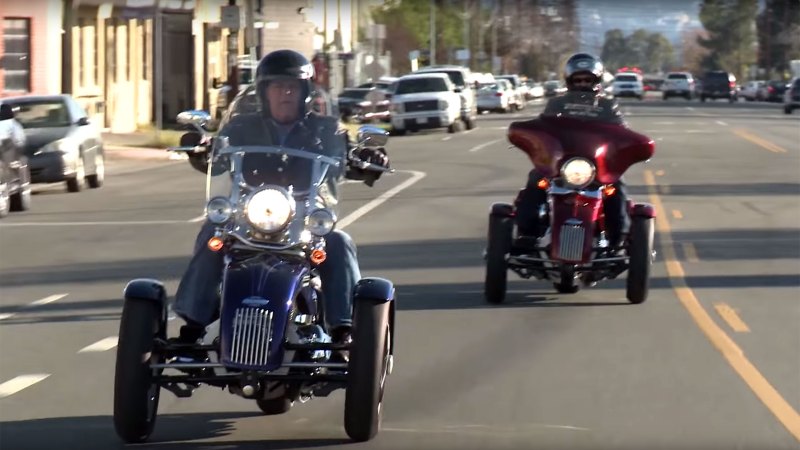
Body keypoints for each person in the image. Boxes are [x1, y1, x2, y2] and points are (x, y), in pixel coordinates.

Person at [172, 49, 389, 358]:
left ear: (305, 93)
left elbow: (349, 156)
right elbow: (217, 158)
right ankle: (192, 331)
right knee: (213, 234)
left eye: (293, 87)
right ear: (264, 92)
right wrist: (200, 148)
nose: (285, 93)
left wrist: (369, 157)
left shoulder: (327, 129)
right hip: (250, 215)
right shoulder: (239, 127)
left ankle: (343, 332)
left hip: (306, 220)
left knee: (339, 243)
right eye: (277, 86)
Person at [514, 53, 629, 250]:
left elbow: (621, 131)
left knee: (616, 188)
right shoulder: (556, 104)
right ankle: (528, 234)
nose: (583, 84)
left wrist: (624, 144)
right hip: (561, 163)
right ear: (569, 81)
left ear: (597, 81)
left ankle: (617, 239)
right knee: (536, 181)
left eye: (588, 80)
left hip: (596, 165)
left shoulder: (608, 106)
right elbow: (543, 127)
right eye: (578, 80)